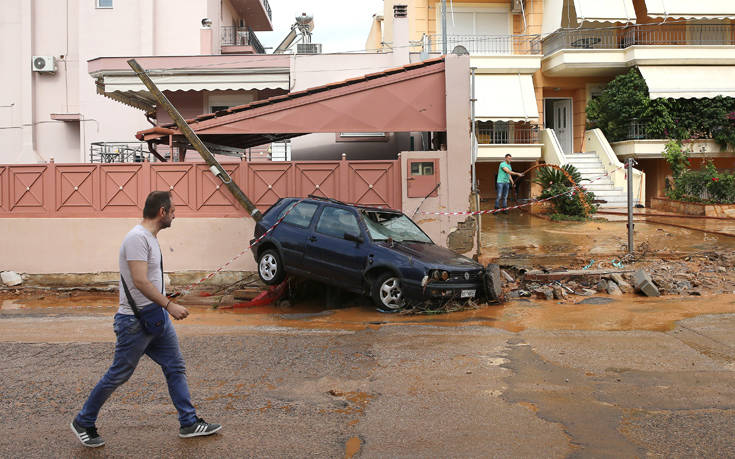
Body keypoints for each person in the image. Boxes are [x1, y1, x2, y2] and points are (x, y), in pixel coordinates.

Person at [71, 191, 221, 448]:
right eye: (173, 210)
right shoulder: (136, 239)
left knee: (175, 367)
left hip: (156, 318)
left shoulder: (149, 238)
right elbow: (140, 281)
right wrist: (170, 304)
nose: (176, 214)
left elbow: (147, 280)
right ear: (162, 212)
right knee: (119, 374)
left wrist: (164, 302)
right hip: (135, 322)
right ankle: (83, 421)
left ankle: (189, 422)